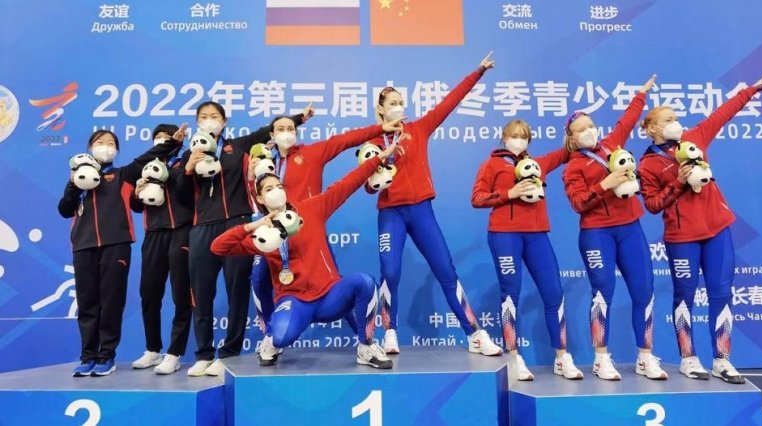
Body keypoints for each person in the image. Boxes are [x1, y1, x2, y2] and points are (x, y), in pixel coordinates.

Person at [210, 141, 403, 368]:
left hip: (330, 296)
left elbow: (347, 184)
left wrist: (378, 159)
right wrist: (251, 226)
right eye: (269, 189)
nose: (277, 191)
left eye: (279, 186)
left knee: (365, 283)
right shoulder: (261, 235)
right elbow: (218, 247)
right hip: (295, 303)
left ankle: (366, 346)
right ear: (259, 199)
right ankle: (271, 341)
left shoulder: (312, 209)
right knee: (281, 336)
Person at [638, 72, 762, 384]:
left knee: (721, 293)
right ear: (651, 128)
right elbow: (653, 205)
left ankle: (722, 360)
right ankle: (688, 358)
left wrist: (751, 90)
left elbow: (722, 114)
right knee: (684, 296)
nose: (676, 123)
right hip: (682, 238)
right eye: (669, 119)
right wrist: (678, 182)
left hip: (717, 230)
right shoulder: (647, 164)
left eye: (676, 118)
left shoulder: (694, 137)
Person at [368, 52, 502, 356]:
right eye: (392, 103)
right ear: (381, 109)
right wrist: (378, 174)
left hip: (421, 211)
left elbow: (449, 102)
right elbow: (366, 185)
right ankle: (389, 332)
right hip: (391, 213)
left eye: (401, 102)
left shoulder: (419, 129)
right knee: (390, 272)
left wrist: (478, 72)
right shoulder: (374, 142)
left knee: (445, 269)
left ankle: (474, 334)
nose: (398, 107)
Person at [178, 102, 307, 377]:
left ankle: (228, 354)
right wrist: (187, 169)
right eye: (204, 117)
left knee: (237, 292)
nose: (209, 121)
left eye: (214, 116)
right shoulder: (191, 153)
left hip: (238, 224)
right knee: (201, 293)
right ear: (197, 122)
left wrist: (300, 117)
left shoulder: (238, 146)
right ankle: (203, 353)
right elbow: (181, 197)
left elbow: (268, 129)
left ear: (224, 121)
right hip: (202, 227)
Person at [561, 75, 668, 381]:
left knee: (643, 290)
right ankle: (600, 358)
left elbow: (628, 120)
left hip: (630, 229)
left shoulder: (611, 145)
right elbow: (578, 203)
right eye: (581, 129)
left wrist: (640, 94)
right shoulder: (573, 167)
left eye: (591, 126)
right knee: (603, 292)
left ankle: (645, 357)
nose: (589, 131)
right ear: (572, 138)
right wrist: (605, 184)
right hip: (597, 234)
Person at [58, 129, 182, 376]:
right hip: (83, 246)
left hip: (116, 245)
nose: (105, 146)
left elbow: (149, 156)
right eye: (100, 142)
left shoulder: (123, 175)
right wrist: (73, 184)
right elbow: (64, 209)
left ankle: (106, 356)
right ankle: (88, 356)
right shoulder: (79, 177)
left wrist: (173, 142)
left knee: (111, 302)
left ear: (116, 150)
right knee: (87, 303)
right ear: (90, 147)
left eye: (110, 143)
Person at [471, 118, 582, 381]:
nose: (518, 140)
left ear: (529, 140)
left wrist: (576, 128)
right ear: (504, 137)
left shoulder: (539, 164)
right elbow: (477, 198)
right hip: (504, 236)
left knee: (554, 292)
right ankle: (513, 358)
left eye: (523, 136)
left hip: (537, 235)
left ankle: (562, 357)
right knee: (511, 294)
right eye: (514, 135)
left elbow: (568, 150)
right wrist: (509, 193)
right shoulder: (491, 165)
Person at [129, 124, 194, 375]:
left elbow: (189, 194)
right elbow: (137, 207)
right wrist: (138, 191)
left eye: (167, 138)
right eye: (158, 138)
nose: (162, 141)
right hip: (154, 234)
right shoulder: (145, 167)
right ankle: (152, 349)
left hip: (181, 231)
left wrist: (174, 174)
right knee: (149, 293)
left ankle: (174, 353)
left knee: (181, 294)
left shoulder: (185, 160)